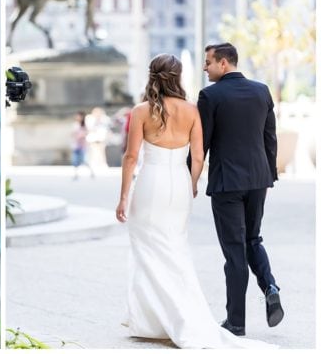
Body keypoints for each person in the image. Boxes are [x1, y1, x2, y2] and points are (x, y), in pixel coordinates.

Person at [114, 54, 275, 349]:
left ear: (152, 76)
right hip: (179, 185)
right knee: (175, 248)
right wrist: (190, 185)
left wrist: (124, 196)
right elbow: (199, 157)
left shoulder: (140, 111)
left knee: (146, 249)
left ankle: (155, 319)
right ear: (178, 77)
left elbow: (131, 158)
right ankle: (176, 316)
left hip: (150, 184)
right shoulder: (191, 110)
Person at [199, 43, 282, 336]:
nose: (204, 67)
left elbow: (202, 144)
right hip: (258, 180)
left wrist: (189, 177)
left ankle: (236, 322)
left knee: (234, 252)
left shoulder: (210, 96)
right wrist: (268, 176)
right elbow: (270, 138)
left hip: (226, 183)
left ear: (223, 63)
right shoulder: (261, 91)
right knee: (253, 239)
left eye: (208, 62)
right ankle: (270, 285)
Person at [70, 111, 93, 180]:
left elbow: (87, 132)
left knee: (84, 160)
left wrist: (82, 135)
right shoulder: (75, 124)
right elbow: (72, 134)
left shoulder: (84, 125)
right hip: (76, 145)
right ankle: (76, 174)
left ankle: (91, 171)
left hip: (82, 145)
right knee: (75, 160)